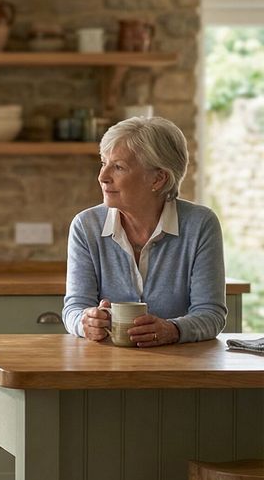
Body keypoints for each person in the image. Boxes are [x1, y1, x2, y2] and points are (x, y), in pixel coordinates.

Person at [63, 116, 226, 346]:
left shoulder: (200, 225)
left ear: (159, 179)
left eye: (118, 167)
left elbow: (211, 314)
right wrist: (85, 322)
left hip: (181, 366)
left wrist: (173, 330)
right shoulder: (85, 225)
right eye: (103, 163)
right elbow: (74, 308)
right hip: (104, 367)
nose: (102, 177)